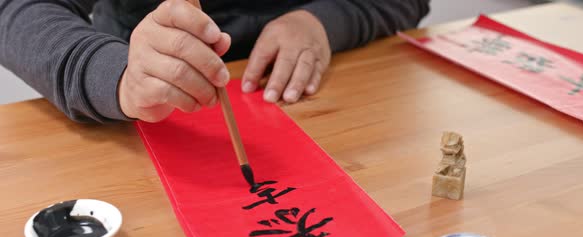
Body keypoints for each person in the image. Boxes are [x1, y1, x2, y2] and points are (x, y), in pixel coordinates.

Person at [0, 0, 430, 122]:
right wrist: (117, 75)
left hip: (329, 108)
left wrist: (325, 21)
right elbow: (14, 11)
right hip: (145, 115)